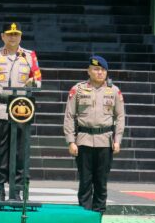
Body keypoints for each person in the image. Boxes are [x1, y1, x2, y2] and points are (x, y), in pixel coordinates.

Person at [0, 22, 42, 201]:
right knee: (0, 153)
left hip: (21, 110)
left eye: (16, 34)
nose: (13, 37)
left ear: (20, 36)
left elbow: (38, 78)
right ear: (3, 36)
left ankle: (17, 190)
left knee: (21, 152)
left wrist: (33, 83)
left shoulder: (29, 56)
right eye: (9, 34)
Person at [63, 55, 125, 214]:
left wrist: (117, 140)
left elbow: (120, 116)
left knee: (101, 183)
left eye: (103, 70)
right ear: (88, 71)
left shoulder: (114, 91)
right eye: (96, 69)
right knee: (85, 182)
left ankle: (98, 215)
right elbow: (69, 116)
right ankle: (85, 216)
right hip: (83, 140)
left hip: (105, 142)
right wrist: (71, 141)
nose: (100, 73)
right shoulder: (78, 89)